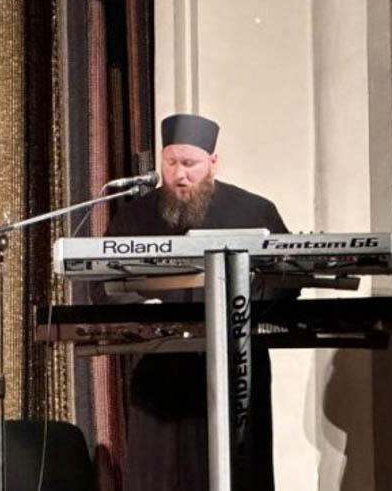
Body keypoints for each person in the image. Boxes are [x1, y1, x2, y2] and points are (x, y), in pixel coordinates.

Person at [105, 113, 289, 491]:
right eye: (170, 163)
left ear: (213, 163)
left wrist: (245, 308)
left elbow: (285, 281)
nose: (179, 175)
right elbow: (104, 286)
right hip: (160, 376)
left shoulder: (255, 211)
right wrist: (144, 309)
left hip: (236, 368)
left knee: (238, 470)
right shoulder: (134, 218)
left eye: (189, 164)